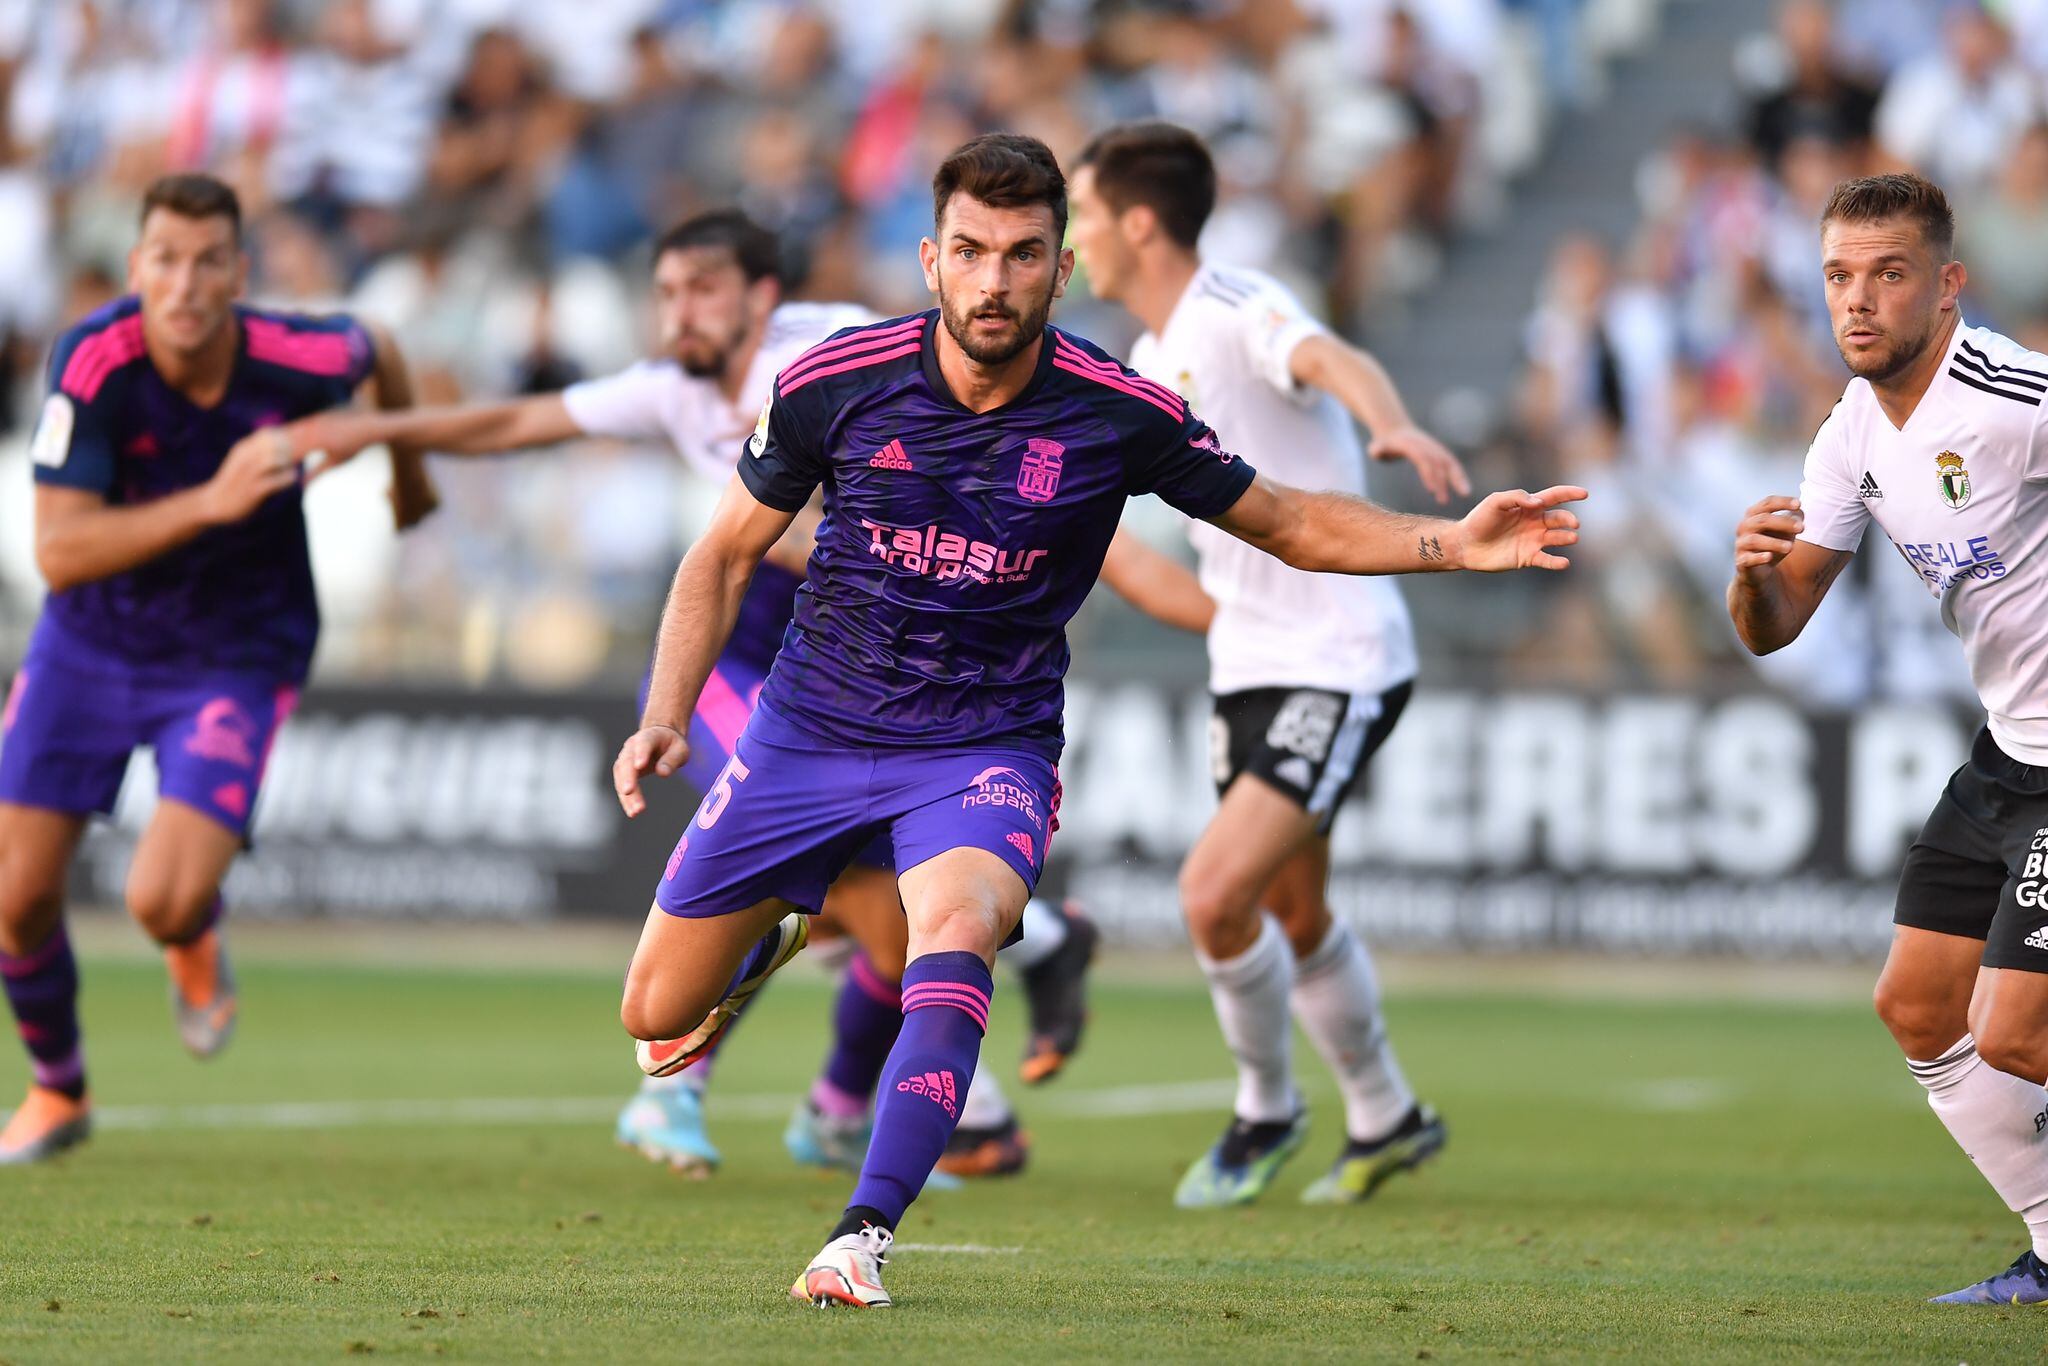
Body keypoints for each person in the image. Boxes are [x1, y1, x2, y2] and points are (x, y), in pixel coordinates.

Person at [607, 131, 1583, 1309]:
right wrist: (666, 711)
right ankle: (781, 922)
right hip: (807, 731)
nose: (993, 280)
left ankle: (860, 1233)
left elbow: (1285, 520)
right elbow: (721, 553)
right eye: (970, 251)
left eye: (1022, 255)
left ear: (1060, 269)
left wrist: (1449, 542)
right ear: (930, 259)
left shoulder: (1115, 411)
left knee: (953, 928)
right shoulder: (833, 382)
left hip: (979, 748)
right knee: (653, 1016)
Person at [276, 208, 1095, 1180]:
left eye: (701, 291)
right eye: (665, 293)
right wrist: (373, 428)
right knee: (866, 890)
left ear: (759, 295)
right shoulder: (671, 389)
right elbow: (511, 421)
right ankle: (710, 1085)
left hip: (865, 680)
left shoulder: (833, 352)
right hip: (743, 672)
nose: (678, 314)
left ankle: (838, 1101)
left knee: (878, 896)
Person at [0, 172, 438, 1164]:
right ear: (134, 267)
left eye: (208, 263)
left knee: (159, 898)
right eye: (166, 260)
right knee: (15, 898)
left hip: (237, 649)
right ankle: (57, 1091)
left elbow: (384, 352)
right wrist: (212, 498)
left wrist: (409, 480)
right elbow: (59, 553)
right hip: (92, 642)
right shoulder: (94, 362)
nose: (186, 284)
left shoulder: (296, 353)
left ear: (239, 272)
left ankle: (192, 935)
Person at [1071, 121, 1456, 1208]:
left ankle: (1263, 1109)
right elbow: (1150, 565)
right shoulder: (1146, 364)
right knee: (1291, 911)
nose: (1077, 240)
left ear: (1138, 223)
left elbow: (1329, 358)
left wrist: (1389, 424)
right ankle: (1386, 1117)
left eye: (1086, 216)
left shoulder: (1236, 311)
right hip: (1247, 664)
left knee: (1209, 894)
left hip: (1336, 660)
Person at [1728, 171, 2048, 1306]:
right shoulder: (1849, 434)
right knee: (1916, 1004)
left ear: (1946, 283)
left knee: (2014, 1031)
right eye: (1836, 276)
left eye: (1887, 273)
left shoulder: (2015, 399)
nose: (1856, 300)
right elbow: (1774, 629)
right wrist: (1749, 577)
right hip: (2009, 753)